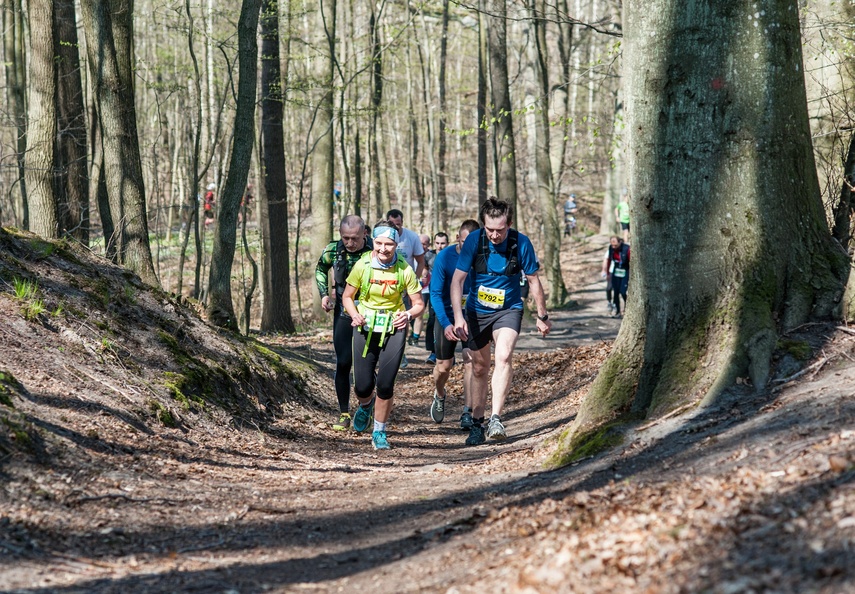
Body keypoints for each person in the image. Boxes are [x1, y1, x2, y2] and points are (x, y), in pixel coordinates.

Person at [451, 197, 552, 446]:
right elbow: (457, 281)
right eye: (490, 229)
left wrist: (542, 316)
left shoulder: (521, 243)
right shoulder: (474, 241)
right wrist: (457, 317)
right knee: (479, 367)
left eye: (500, 230)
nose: (495, 235)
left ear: (509, 224)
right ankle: (477, 422)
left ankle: (496, 418)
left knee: (504, 355)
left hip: (509, 309)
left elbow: (533, 281)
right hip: (476, 311)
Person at [342, 221, 424, 450]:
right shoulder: (363, 265)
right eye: (378, 243)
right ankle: (365, 405)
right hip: (365, 327)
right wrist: (354, 314)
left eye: (388, 244)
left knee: (386, 385)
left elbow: (419, 305)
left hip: (394, 328)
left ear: (396, 244)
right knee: (362, 386)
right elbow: (347, 297)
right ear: (372, 242)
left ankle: (379, 431)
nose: (383, 249)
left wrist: (407, 315)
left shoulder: (405, 269)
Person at [315, 215, 374, 431]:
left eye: (355, 239)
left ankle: (366, 406)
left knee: (365, 364)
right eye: (346, 238)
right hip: (343, 311)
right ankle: (344, 412)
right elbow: (321, 268)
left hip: (371, 312)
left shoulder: (375, 251)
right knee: (343, 362)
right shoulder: (333, 250)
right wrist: (324, 295)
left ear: (364, 234)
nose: (350, 243)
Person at [430, 221, 479, 427]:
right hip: (447, 318)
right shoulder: (444, 257)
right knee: (444, 367)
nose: (470, 246)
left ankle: (467, 412)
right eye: (466, 240)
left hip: (472, 317)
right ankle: (439, 394)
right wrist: (446, 323)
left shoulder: (481, 257)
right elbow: (435, 294)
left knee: (471, 362)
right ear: (458, 238)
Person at [385, 209, 425, 369]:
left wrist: (413, 284)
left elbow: (420, 261)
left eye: (398, 224)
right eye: (392, 224)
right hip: (384, 283)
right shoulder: (381, 238)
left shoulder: (411, 237)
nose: (396, 227)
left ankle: (400, 352)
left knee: (403, 318)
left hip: (404, 284)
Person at [423, 232, 449, 364]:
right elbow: (425, 269)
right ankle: (433, 352)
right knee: (432, 320)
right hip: (434, 292)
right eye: (437, 243)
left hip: (449, 292)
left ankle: (448, 353)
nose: (440, 246)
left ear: (447, 244)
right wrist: (422, 279)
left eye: (442, 243)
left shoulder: (451, 254)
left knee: (448, 319)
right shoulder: (429, 255)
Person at [409, 234, 433, 347]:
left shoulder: (432, 255)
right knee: (411, 312)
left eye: (424, 244)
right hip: (410, 288)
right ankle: (412, 333)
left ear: (428, 244)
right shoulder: (410, 254)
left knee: (419, 313)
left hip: (426, 289)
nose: (422, 246)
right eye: (420, 243)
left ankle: (415, 337)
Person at [602, 236, 630, 318]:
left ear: (620, 242)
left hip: (625, 269)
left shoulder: (627, 249)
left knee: (623, 291)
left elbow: (631, 261)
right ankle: (617, 310)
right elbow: (609, 261)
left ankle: (627, 307)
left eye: (615, 245)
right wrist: (607, 273)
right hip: (616, 269)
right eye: (612, 245)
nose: (613, 247)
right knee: (616, 291)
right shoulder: (611, 248)